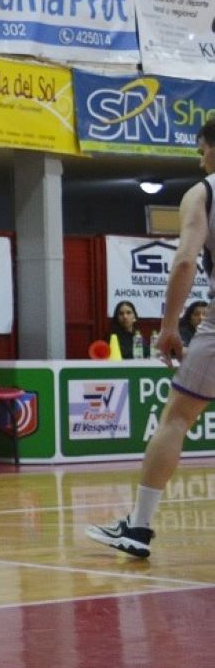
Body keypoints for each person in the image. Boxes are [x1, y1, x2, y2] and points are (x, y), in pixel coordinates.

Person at [89, 119, 215, 559]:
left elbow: (185, 261)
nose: (201, 159)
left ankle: (138, 529)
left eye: (202, 150)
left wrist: (167, 326)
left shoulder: (203, 192)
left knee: (177, 418)